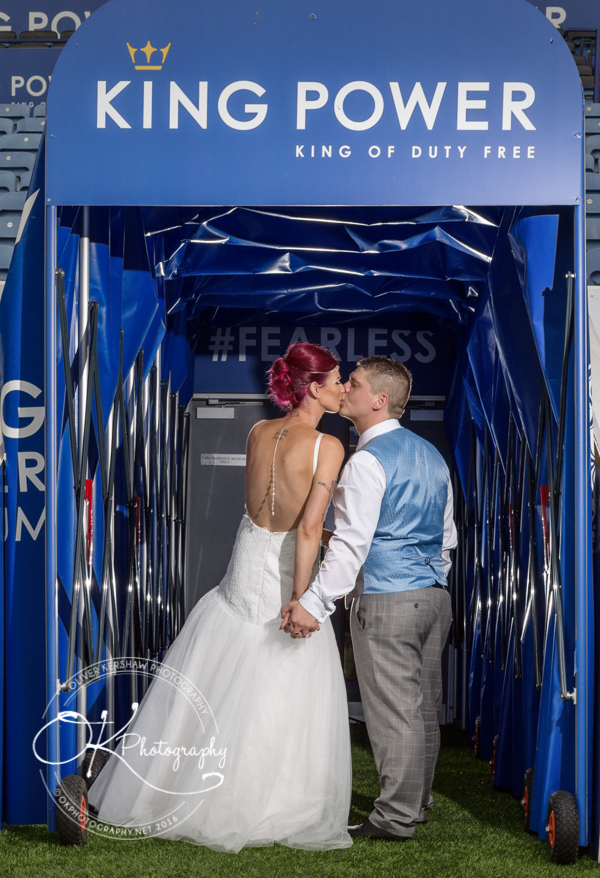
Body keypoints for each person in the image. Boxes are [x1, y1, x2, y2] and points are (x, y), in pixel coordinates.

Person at [88, 342, 352, 852]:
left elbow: (256, 508)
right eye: (338, 380)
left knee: (216, 682)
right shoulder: (329, 446)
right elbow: (308, 530)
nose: (344, 388)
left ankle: (171, 791)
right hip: (280, 575)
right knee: (280, 689)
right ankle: (263, 803)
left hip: (240, 569)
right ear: (314, 388)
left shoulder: (257, 432)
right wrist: (302, 600)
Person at [282, 357, 457, 842]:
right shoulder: (432, 456)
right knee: (422, 709)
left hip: (388, 598)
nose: (347, 391)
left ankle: (395, 818)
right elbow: (447, 539)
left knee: (394, 712)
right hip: (434, 595)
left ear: (379, 400)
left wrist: (312, 604)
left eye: (354, 385)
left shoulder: (366, 461)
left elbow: (351, 548)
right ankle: (414, 805)